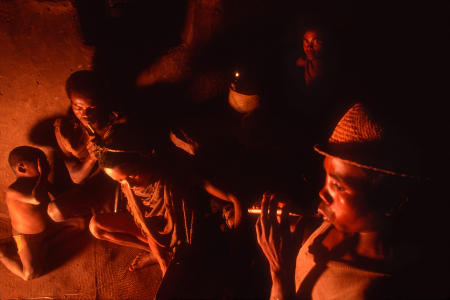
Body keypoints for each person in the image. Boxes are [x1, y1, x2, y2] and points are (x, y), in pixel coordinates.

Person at [255, 102, 430, 299]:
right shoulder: (343, 225)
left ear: (390, 199)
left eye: (337, 186)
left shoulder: (372, 288)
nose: (322, 193)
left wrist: (280, 274)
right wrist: (293, 222)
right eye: (326, 178)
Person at [47, 70, 125, 223]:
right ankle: (91, 214)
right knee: (55, 212)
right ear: (71, 101)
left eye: (92, 108)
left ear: (102, 103)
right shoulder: (66, 131)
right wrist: (91, 158)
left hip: (121, 182)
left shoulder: (116, 122)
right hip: (91, 188)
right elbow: (76, 177)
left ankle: (103, 214)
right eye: (78, 107)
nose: (85, 114)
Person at [0, 146, 53, 280]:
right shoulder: (14, 191)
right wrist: (44, 174)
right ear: (22, 168)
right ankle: (3, 255)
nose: (45, 166)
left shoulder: (38, 183)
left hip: (44, 231)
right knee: (29, 273)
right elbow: (36, 199)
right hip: (22, 236)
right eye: (40, 163)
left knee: (80, 224)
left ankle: (44, 246)